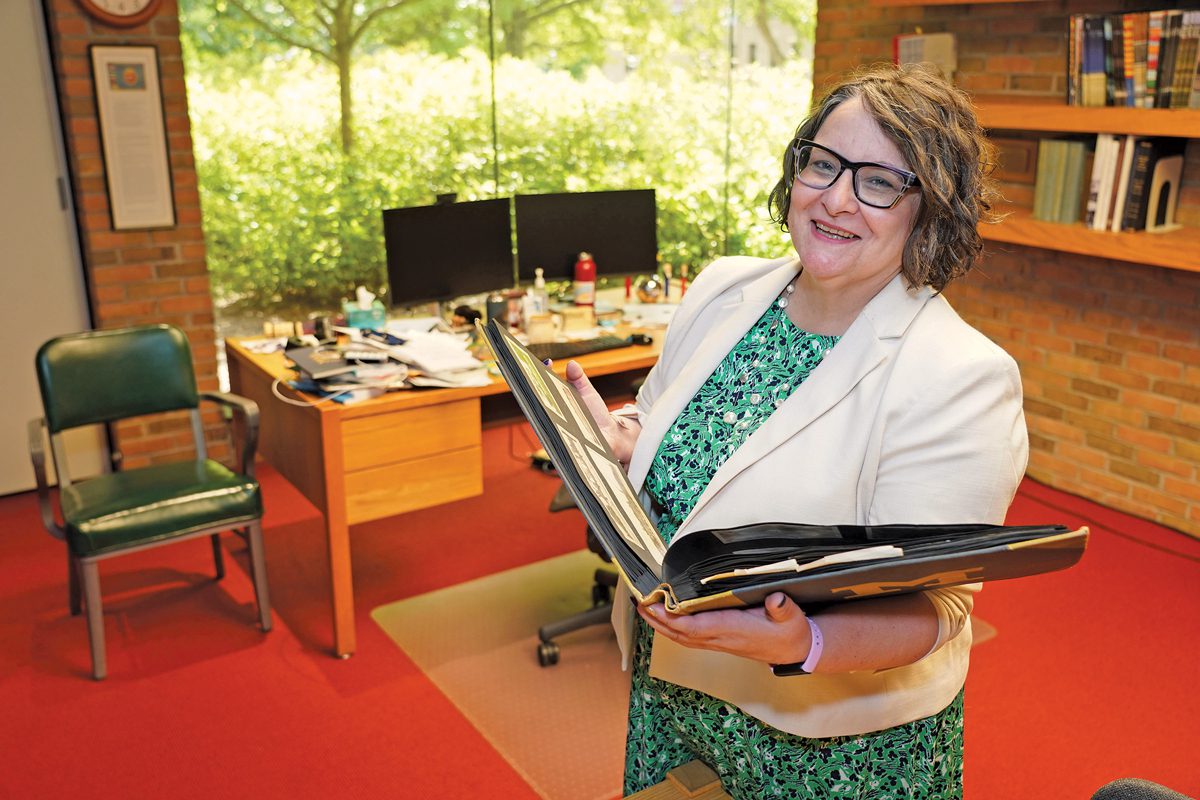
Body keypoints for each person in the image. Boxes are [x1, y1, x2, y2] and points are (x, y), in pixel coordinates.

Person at [565, 62, 1028, 799]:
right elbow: (659, 418)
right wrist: (621, 441)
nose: (837, 198)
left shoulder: (961, 375)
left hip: (830, 734)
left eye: (880, 181)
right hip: (676, 681)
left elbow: (937, 608)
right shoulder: (724, 288)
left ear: (930, 210)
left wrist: (804, 641)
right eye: (824, 163)